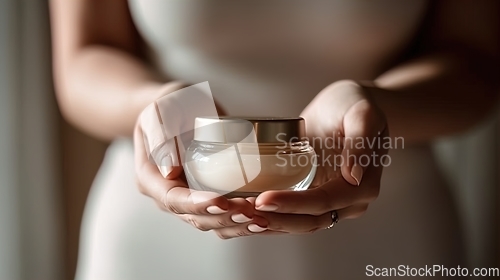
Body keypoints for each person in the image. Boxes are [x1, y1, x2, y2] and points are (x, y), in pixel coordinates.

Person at [50, 0, 499, 279]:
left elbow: (472, 63)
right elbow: (85, 56)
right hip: (162, 230)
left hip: (387, 225)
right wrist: (156, 103)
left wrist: (375, 104)